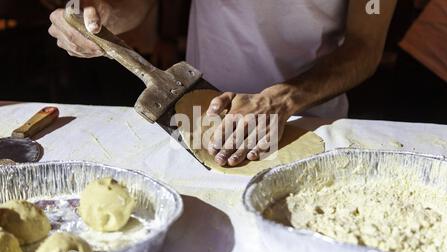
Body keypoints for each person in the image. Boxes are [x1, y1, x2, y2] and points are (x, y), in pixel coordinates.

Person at [48, 0, 397, 167]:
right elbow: (139, 6)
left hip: (307, 122)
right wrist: (104, 16)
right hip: (199, 121)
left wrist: (283, 98)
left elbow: (365, 46)